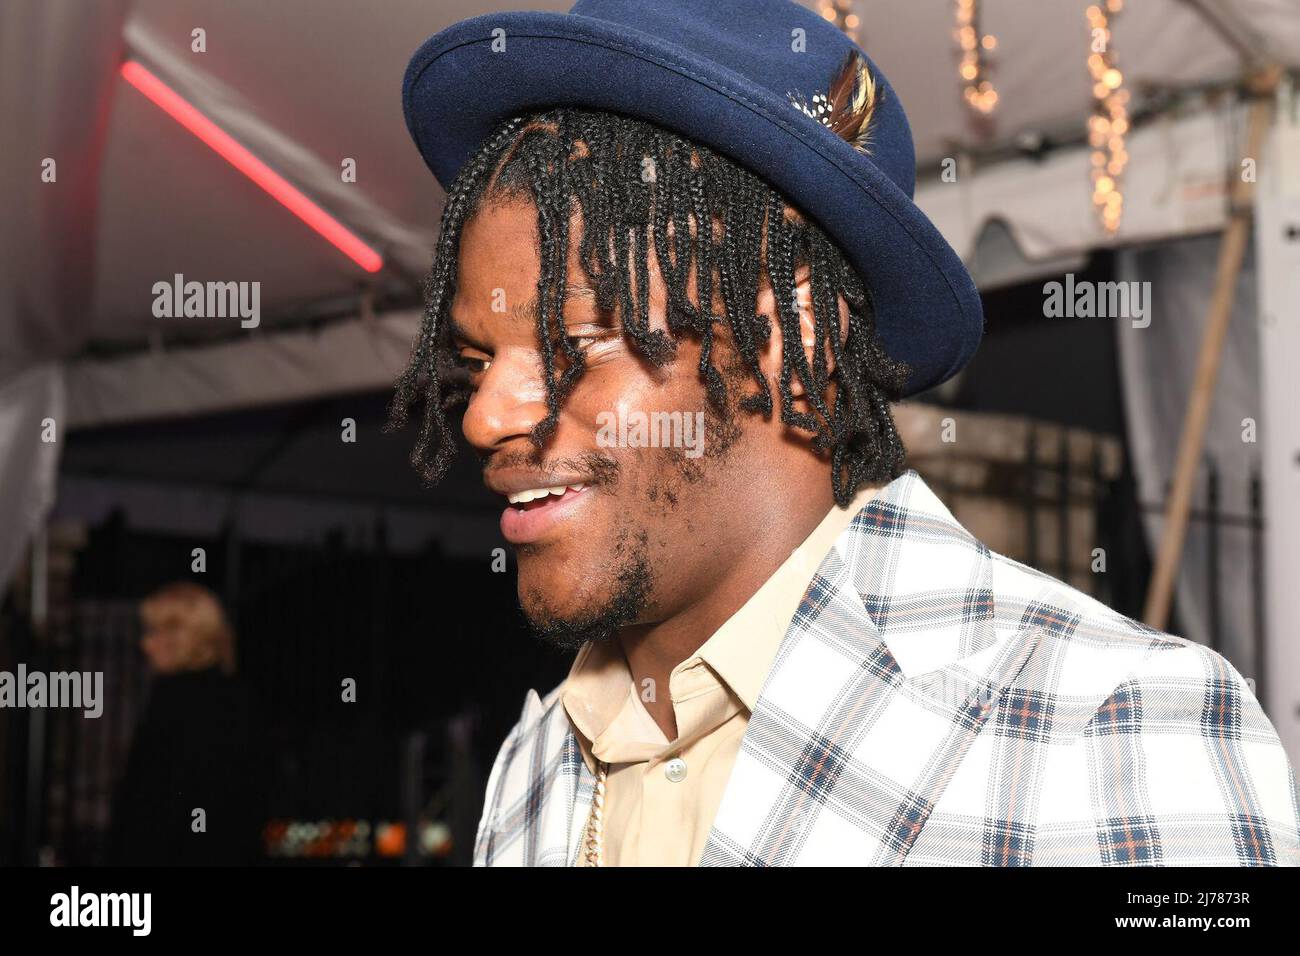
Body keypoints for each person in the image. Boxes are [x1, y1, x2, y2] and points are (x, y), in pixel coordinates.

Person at [390, 0, 1299, 865]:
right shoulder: (533, 769)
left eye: (577, 339)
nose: (486, 414)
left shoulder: (1118, 730)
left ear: (794, 340)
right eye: (476, 361)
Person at [107, 582, 263, 866]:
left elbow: (155, 808)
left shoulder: (177, 702)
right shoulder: (233, 700)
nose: (146, 644)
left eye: (155, 632)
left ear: (183, 638)